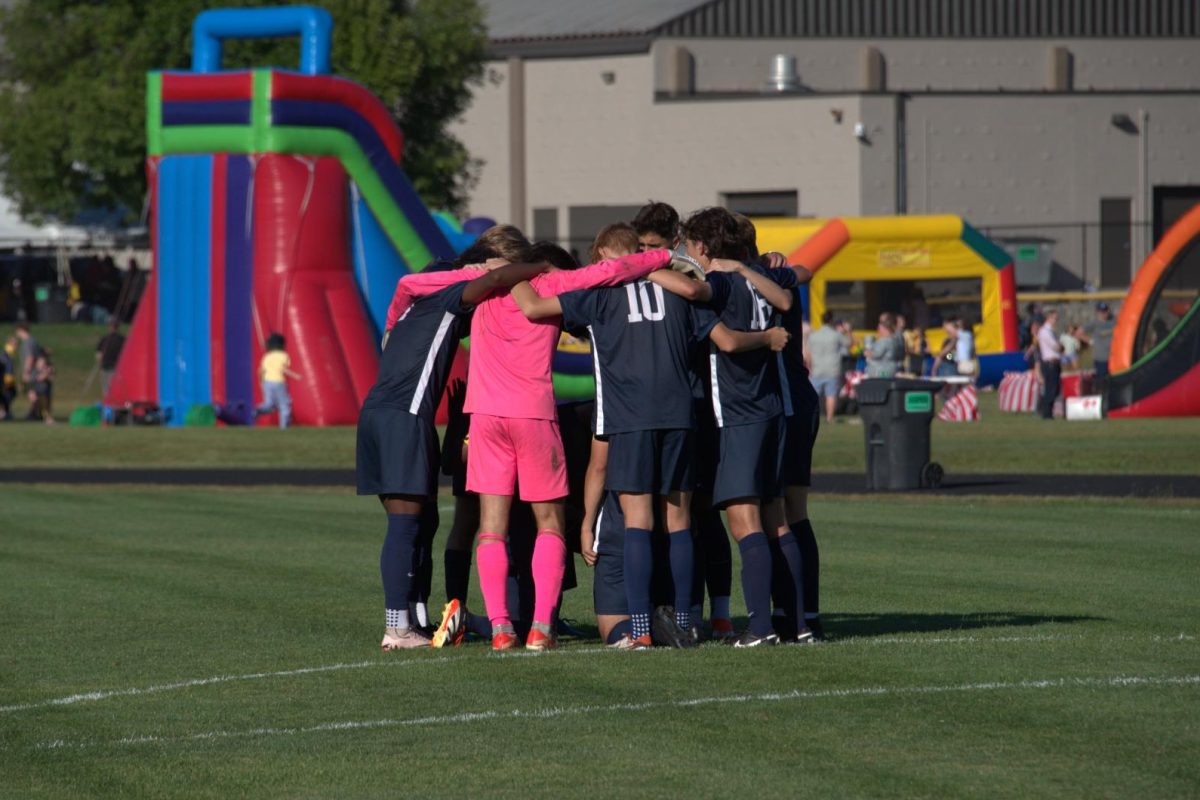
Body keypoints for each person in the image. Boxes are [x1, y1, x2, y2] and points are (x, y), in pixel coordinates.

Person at [461, 234, 674, 651]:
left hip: (484, 416)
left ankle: (502, 629)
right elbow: (612, 270)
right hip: (534, 414)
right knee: (550, 524)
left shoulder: (483, 286)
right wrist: (667, 255)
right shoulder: (549, 284)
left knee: (491, 528)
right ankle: (541, 627)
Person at [360, 245, 550, 650]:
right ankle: (397, 628)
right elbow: (497, 280)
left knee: (423, 521)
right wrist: (539, 266)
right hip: (404, 417)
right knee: (406, 525)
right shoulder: (447, 295)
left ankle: (415, 619)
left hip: (378, 416)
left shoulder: (414, 309)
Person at [808, 311, 848, 423]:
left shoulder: (814, 335)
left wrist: (809, 366)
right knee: (831, 394)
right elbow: (849, 343)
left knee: (813, 395)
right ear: (831, 320)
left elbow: (808, 353)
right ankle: (829, 418)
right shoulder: (836, 335)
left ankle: (810, 416)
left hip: (816, 368)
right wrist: (847, 331)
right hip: (832, 368)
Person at [255, 333, 301, 429]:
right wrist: (295, 375)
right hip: (279, 381)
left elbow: (261, 371)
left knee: (269, 404)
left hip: (267, 382)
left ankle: (257, 410)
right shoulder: (284, 355)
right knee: (284, 405)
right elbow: (283, 369)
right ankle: (284, 428)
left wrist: (261, 383)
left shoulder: (267, 356)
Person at [1037, 308, 1064, 419]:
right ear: (1049, 318)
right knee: (1050, 389)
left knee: (1055, 389)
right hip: (1049, 363)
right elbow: (1056, 347)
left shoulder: (1052, 332)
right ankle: (1046, 413)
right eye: (1054, 318)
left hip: (1055, 363)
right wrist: (1060, 347)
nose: (1056, 321)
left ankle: (1048, 411)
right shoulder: (1045, 332)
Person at [1080, 303, 1115, 385]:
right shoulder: (1094, 323)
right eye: (1101, 312)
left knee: (1113, 380)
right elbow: (1078, 333)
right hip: (1101, 358)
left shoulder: (1113, 321)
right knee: (1102, 381)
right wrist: (1090, 341)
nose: (1103, 314)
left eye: (1105, 311)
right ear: (1097, 312)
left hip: (1113, 357)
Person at [864, 313, 903, 378]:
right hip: (893, 369)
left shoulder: (884, 340)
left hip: (880, 371)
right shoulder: (895, 339)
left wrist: (867, 352)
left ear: (885, 329)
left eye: (879, 328)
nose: (878, 330)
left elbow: (876, 354)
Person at [95, 320, 125, 397]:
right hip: (117, 367)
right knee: (116, 388)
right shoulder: (122, 339)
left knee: (106, 390)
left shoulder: (104, 339)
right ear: (118, 327)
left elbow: (99, 355)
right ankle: (114, 404)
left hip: (106, 367)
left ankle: (108, 405)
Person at [30, 348, 54, 424]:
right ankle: (47, 418)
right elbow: (39, 378)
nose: (43, 364)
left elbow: (51, 379)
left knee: (46, 406)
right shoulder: (35, 371)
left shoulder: (47, 370)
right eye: (41, 363)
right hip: (38, 392)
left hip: (46, 392)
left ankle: (43, 417)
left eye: (44, 363)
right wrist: (46, 373)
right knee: (42, 406)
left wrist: (49, 373)